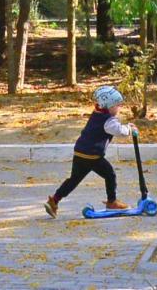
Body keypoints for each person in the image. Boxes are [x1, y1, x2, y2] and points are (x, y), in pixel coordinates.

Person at [43, 85, 136, 216]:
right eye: (118, 105)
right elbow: (119, 130)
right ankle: (112, 202)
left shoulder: (97, 114)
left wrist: (126, 126)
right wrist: (130, 129)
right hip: (93, 156)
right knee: (110, 175)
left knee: (73, 180)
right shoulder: (108, 121)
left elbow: (116, 127)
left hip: (80, 151)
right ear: (109, 106)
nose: (119, 108)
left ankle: (54, 200)